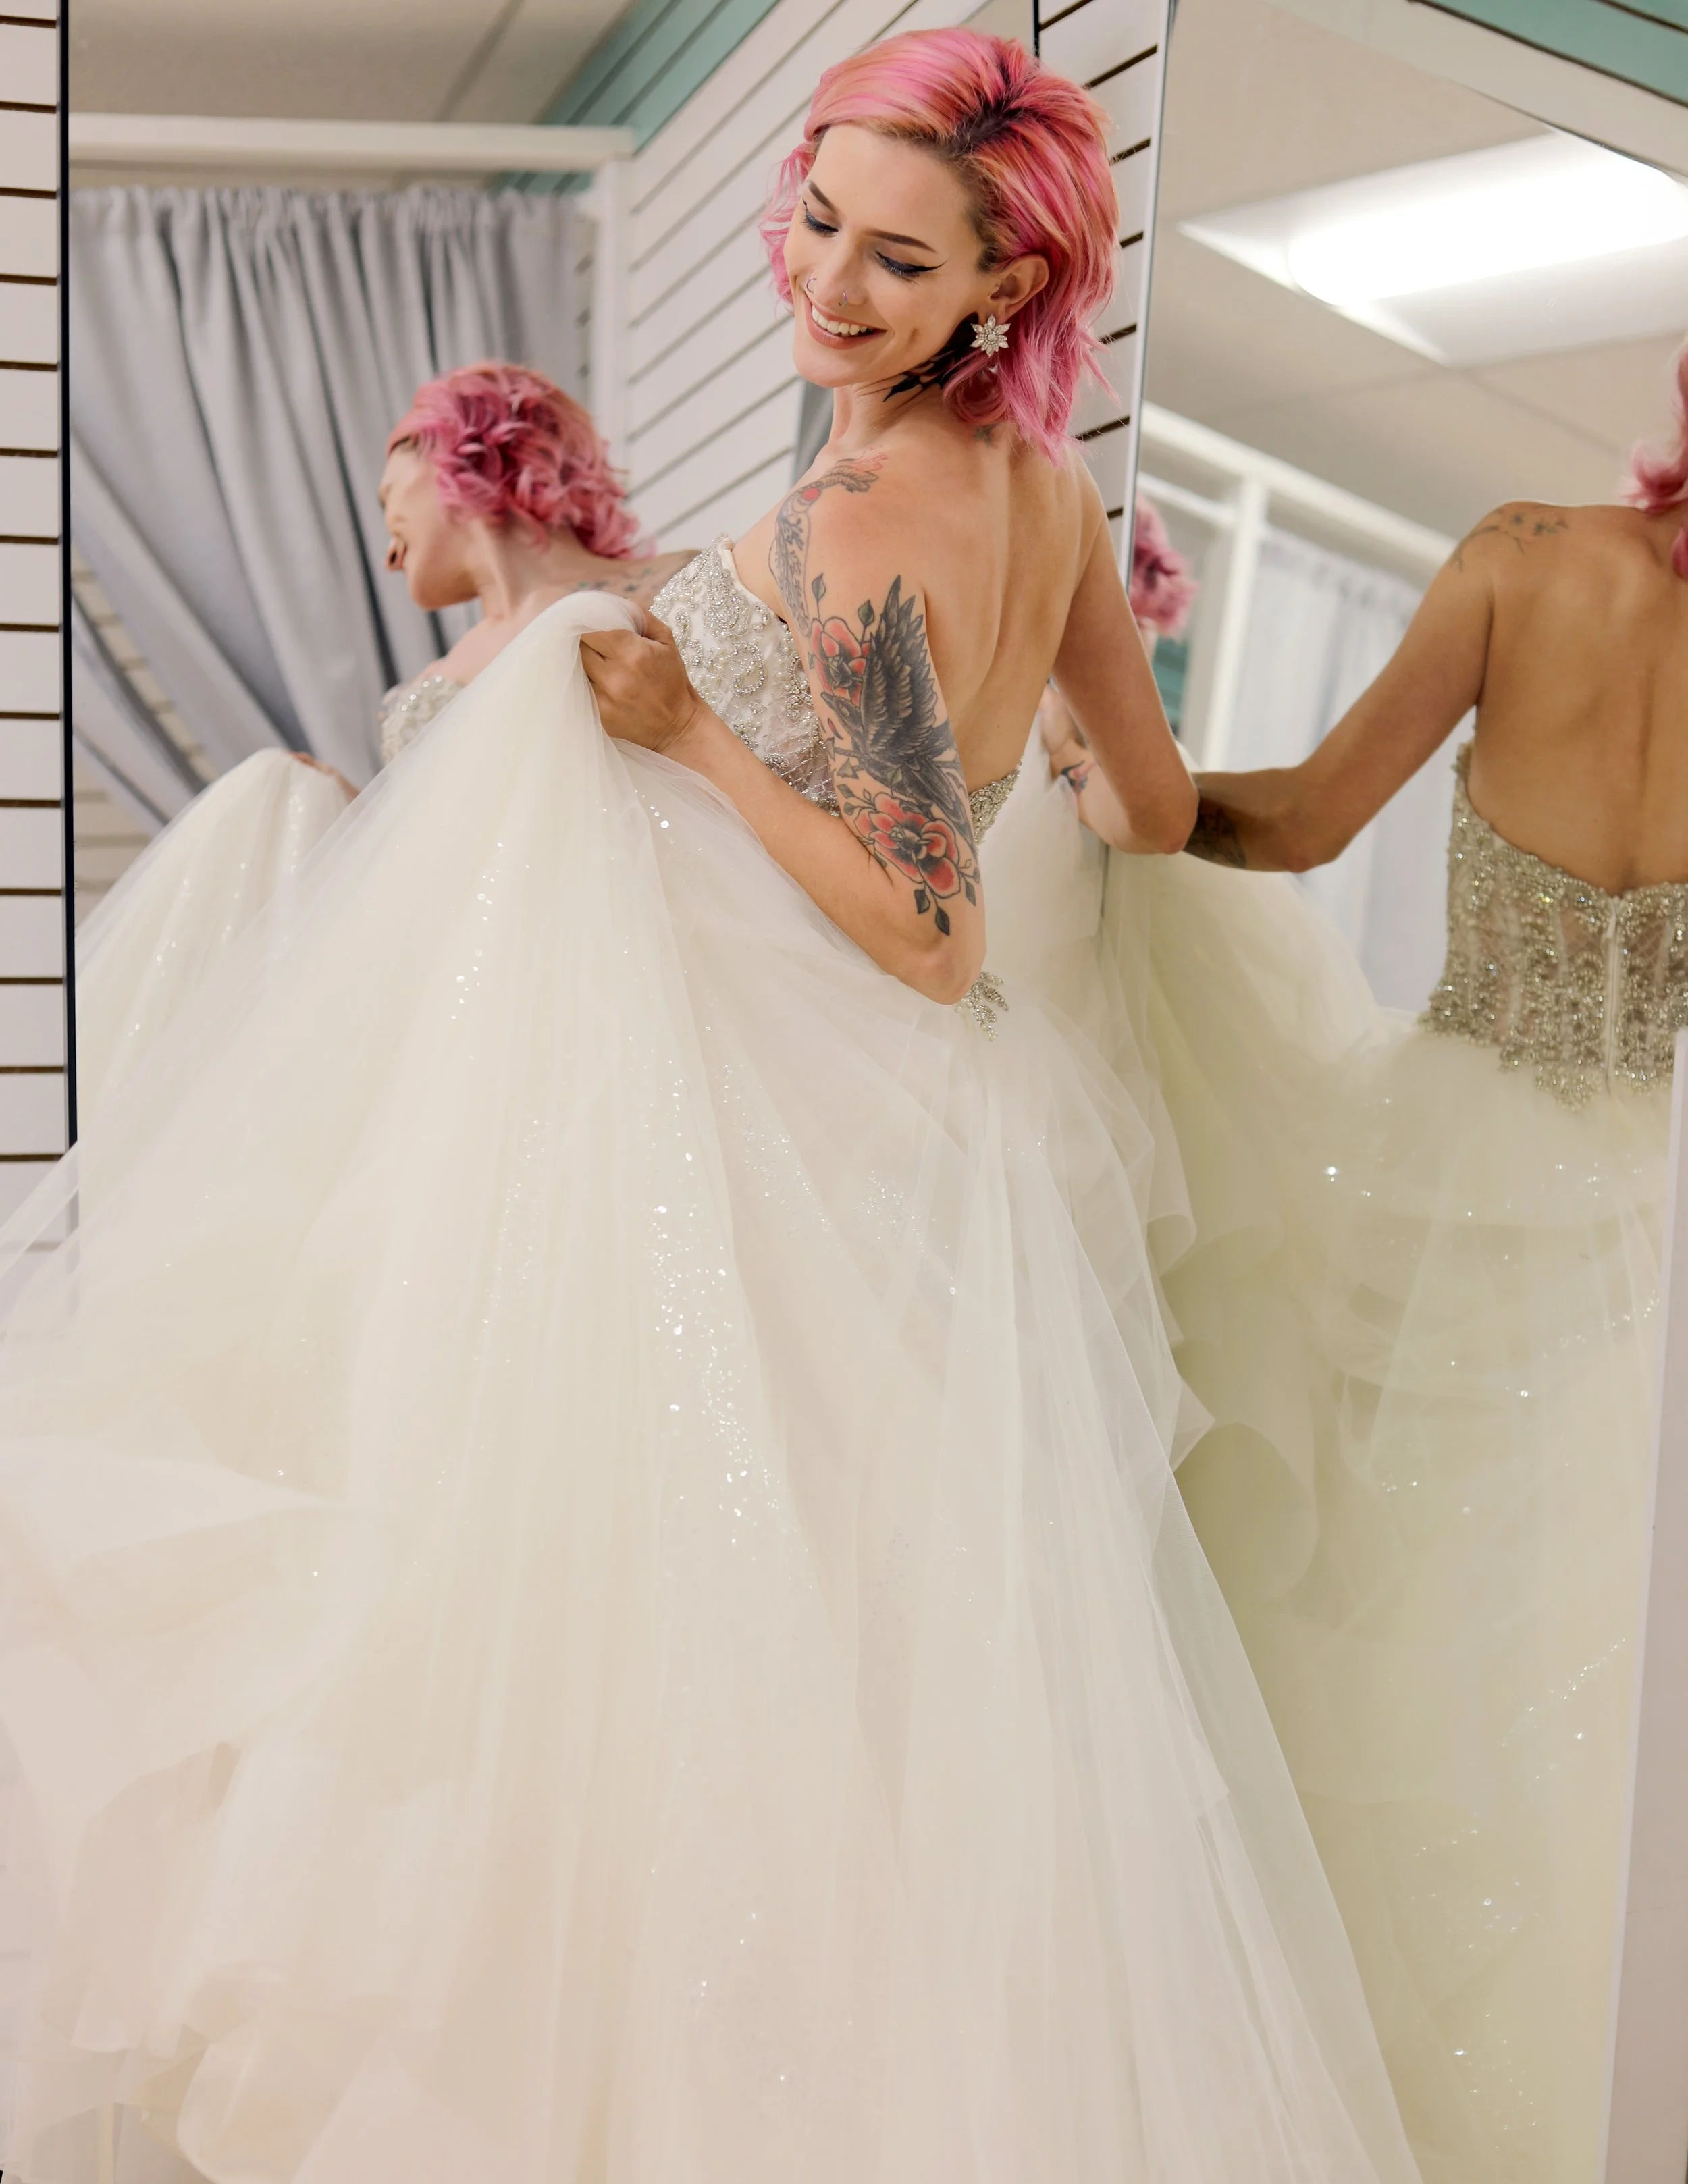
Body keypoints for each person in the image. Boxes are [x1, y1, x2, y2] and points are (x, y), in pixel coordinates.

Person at [0, 34, 1417, 2181]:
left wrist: (679, 733)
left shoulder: (866, 509)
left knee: (647, 1674)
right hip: (918, 1156)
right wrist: (1066, 779)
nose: (826, 277)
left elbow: (922, 923)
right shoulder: (1051, 505)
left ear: (995, 298)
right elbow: (1138, 797)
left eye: (897, 255)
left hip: (786, 1117)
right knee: (840, 1717)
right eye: (821, 215)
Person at [1045, 343, 1688, 2184]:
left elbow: (1309, 817)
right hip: (1650, 1196)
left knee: (1376, 1598)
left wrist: (1129, 798)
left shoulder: (1522, 554)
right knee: (1574, 1662)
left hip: (1461, 1149)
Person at [76, 365, 689, 1123]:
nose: (388, 551)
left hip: (627, 954)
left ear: (455, 461)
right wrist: (334, 807)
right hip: (457, 985)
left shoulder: (670, 588)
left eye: (386, 501)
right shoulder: (432, 676)